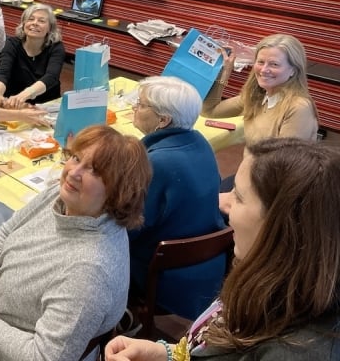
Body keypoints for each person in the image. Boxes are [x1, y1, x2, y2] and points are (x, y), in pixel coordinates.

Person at [0, 124, 152, 361]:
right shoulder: (61, 197)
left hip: (0, 348)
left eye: (95, 171)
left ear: (118, 192)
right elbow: (5, 233)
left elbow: (44, 356)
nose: (74, 173)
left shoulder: (88, 272)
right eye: (76, 158)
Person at [105, 138, 340, 360]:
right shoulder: (272, 283)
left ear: (280, 225)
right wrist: (166, 353)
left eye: (238, 195)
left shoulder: (294, 351)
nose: (224, 203)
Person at [128, 76, 226, 321]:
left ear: (163, 120)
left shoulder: (157, 162)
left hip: (165, 274)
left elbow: (130, 226)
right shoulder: (200, 141)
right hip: (208, 263)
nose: (134, 108)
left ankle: (116, 316)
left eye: (140, 105)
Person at [202, 34, 319, 146]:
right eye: (261, 62)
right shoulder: (257, 96)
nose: (264, 70)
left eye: (274, 64)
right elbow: (210, 111)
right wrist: (224, 72)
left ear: (293, 70)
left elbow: (285, 163)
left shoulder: (299, 108)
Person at [0, 3, 66, 107]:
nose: (35, 23)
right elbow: (3, 73)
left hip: (46, 104)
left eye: (41, 21)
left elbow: (51, 77)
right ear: (23, 24)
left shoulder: (56, 48)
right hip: (15, 104)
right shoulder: (12, 44)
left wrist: (23, 95)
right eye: (30, 19)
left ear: (50, 28)